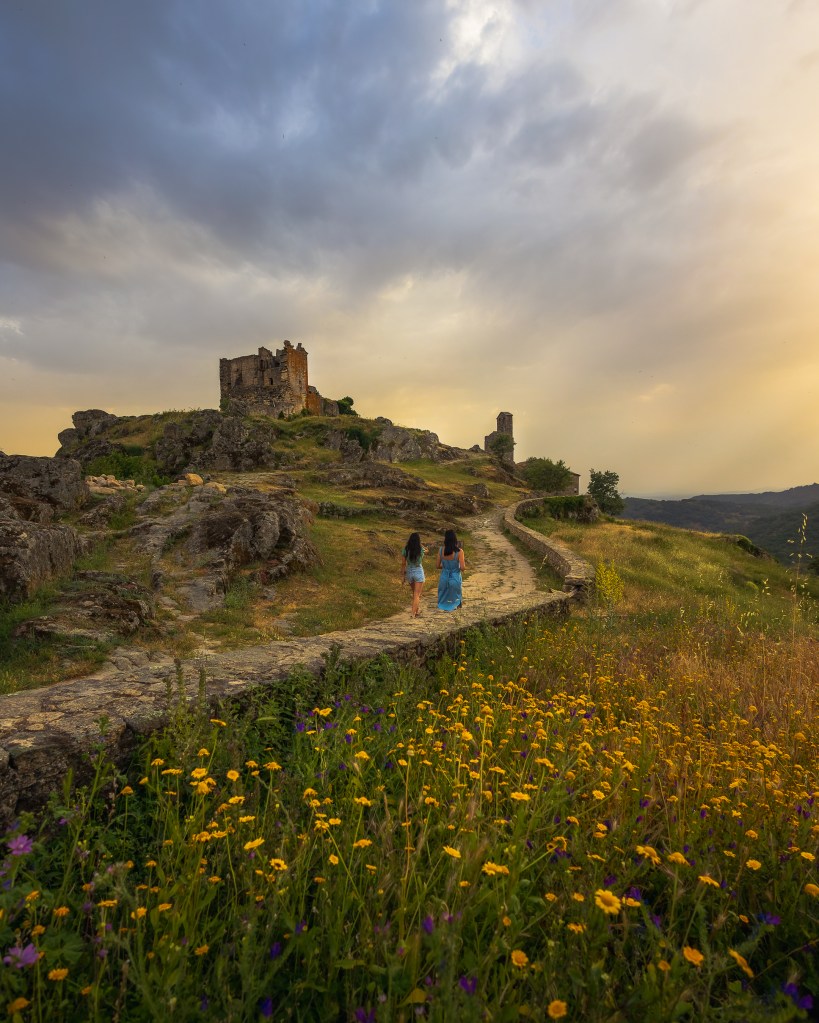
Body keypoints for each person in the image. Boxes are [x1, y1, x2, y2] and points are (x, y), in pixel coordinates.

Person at [436, 528, 465, 611]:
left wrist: (446, 567)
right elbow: (462, 567)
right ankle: (456, 607)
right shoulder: (460, 551)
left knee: (444, 594)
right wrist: (457, 568)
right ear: (455, 539)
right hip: (455, 577)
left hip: (444, 577)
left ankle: (444, 606)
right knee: (456, 595)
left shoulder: (441, 550)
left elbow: (437, 566)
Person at [401, 532, 426, 618]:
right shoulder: (420, 549)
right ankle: (412, 613)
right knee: (417, 594)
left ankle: (417, 610)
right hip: (418, 570)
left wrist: (403, 576)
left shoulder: (406, 549)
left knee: (414, 593)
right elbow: (425, 550)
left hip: (409, 571)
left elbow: (403, 563)